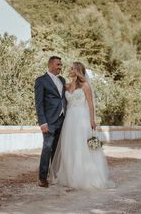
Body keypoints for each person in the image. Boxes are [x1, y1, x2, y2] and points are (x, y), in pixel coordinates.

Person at [49, 61, 114, 189]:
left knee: (82, 146)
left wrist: (92, 120)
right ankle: (70, 176)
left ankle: (84, 176)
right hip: (69, 119)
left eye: (72, 68)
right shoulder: (67, 86)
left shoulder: (85, 86)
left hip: (82, 119)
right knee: (70, 146)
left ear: (78, 71)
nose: (69, 70)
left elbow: (90, 104)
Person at [34, 56, 67, 188]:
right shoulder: (41, 81)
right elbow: (39, 103)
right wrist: (42, 122)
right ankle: (42, 178)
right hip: (49, 120)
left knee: (57, 149)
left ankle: (54, 175)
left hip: (62, 119)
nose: (60, 67)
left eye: (61, 65)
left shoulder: (62, 80)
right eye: (58, 64)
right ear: (51, 65)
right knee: (47, 148)